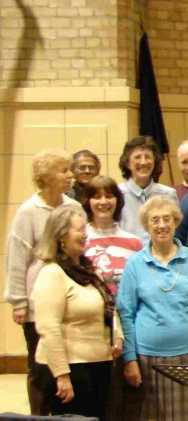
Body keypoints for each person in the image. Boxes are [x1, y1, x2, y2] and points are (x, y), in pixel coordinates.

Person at [116, 196, 188, 421]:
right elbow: (125, 313)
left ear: (176, 222)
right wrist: (130, 359)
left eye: (167, 219)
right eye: (155, 220)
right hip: (148, 359)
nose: (161, 225)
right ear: (147, 226)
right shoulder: (135, 263)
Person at [4, 149, 81, 416]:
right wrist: (18, 302)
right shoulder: (28, 211)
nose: (70, 175)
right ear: (46, 177)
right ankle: (39, 415)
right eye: (63, 170)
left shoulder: (74, 207)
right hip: (38, 304)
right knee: (40, 368)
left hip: (70, 300)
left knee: (65, 362)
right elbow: (17, 258)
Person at [31, 205, 120, 419]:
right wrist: (62, 375)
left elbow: (107, 306)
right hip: (70, 370)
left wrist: (118, 336)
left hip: (98, 365)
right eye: (79, 230)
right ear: (62, 235)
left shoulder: (88, 270)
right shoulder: (51, 273)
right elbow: (48, 328)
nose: (85, 235)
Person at [80, 175, 144, 420]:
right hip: (92, 329)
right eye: (97, 196)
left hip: (126, 325)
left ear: (118, 201)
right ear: (87, 202)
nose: (103, 202)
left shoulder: (134, 242)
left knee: (124, 399)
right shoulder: (80, 239)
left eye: (109, 196)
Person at [117, 136, 178, 239]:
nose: (143, 162)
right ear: (127, 163)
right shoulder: (117, 194)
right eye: (137, 157)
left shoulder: (168, 194)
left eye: (148, 157)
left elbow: (174, 231)